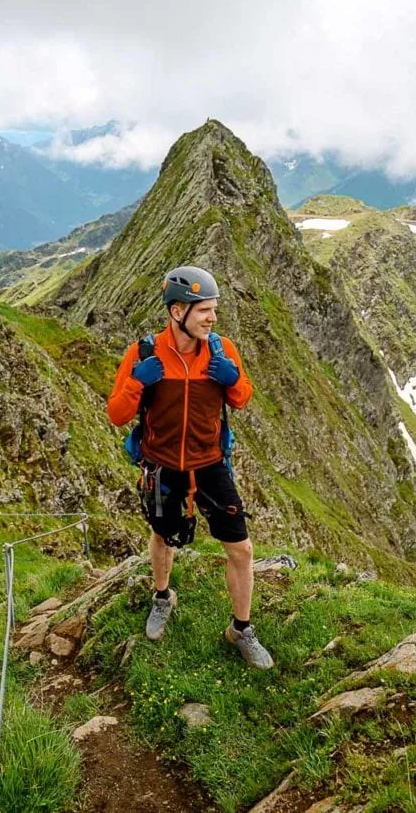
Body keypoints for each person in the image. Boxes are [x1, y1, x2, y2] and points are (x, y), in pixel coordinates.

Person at [107, 266, 273, 669]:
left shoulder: (221, 350)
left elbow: (241, 400)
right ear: (177, 310)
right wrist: (138, 382)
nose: (212, 319)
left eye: (213, 310)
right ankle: (163, 597)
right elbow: (116, 413)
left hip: (211, 464)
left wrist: (233, 380)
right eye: (204, 311)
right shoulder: (144, 354)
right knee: (163, 536)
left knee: (241, 547)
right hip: (162, 466)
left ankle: (241, 630)